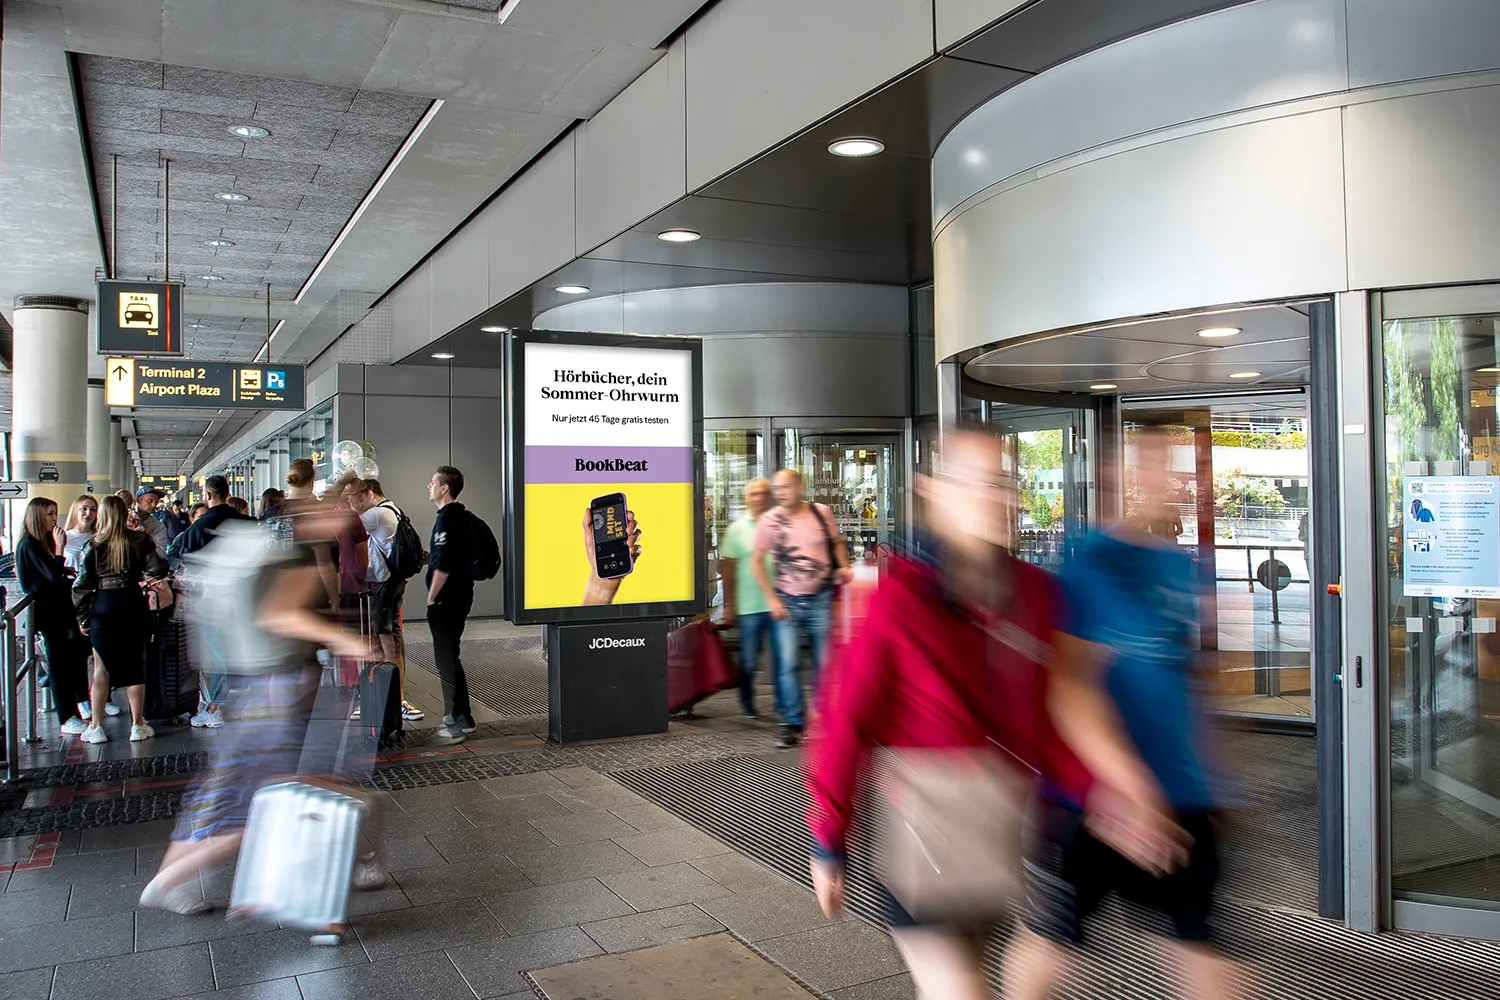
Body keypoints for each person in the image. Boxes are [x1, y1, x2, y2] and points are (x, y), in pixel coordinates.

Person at [805, 429, 1148, 1000]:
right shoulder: (890, 593)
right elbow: (843, 721)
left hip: (1003, 828)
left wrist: (1098, 792)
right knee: (960, 989)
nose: (1000, 498)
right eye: (981, 483)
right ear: (933, 490)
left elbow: (1053, 714)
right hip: (919, 827)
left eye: (1006, 483)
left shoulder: (1037, 594)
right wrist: (828, 838)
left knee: (979, 979)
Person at [1007, 426, 1234, 1000]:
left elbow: (1188, 683)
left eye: (1173, 466)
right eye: (1148, 465)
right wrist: (1129, 790)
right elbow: (1070, 689)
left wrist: (1218, 777)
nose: (1166, 478)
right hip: (1091, 801)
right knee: (1051, 942)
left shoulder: (1182, 567)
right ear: (1120, 478)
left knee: (1200, 943)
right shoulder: (1086, 564)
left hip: (1181, 794)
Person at [138, 505, 377, 915]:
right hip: (275, 694)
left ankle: (170, 879)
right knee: (256, 803)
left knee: (225, 790)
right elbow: (282, 615)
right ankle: (167, 882)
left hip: (250, 688)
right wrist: (344, 640)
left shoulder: (255, 550)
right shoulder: (294, 554)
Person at [753, 469, 851, 748]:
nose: (780, 493)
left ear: (799, 487)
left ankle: (821, 718)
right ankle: (793, 722)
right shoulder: (770, 521)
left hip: (820, 598)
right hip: (787, 601)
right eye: (777, 488)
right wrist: (771, 598)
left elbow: (836, 542)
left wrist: (843, 564)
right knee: (788, 664)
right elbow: (757, 562)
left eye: (785, 487)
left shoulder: (821, 513)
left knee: (825, 663)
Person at [74, 494, 169, 743]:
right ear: (126, 514)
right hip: (131, 603)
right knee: (135, 665)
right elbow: (158, 569)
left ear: (103, 515)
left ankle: (96, 727)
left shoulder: (94, 545)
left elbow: (82, 586)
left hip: (103, 605)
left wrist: (84, 618)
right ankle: (137, 725)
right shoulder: (139, 539)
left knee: (100, 669)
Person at [171, 475, 251, 728]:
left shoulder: (198, 527)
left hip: (212, 599)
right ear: (227, 493)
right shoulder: (246, 522)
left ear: (207, 495)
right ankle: (226, 701)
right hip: (245, 596)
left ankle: (215, 706)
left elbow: (174, 555)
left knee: (215, 654)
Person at [344, 477, 422, 721]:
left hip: (383, 585)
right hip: (392, 583)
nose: (352, 502)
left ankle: (393, 701)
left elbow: (343, 527)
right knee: (390, 640)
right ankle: (392, 698)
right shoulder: (394, 510)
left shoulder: (377, 514)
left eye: (354, 496)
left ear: (368, 493)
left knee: (386, 643)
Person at [15, 498, 92, 736]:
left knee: (72, 659)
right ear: (37, 516)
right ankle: (66, 716)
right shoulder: (29, 544)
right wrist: (60, 550)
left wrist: (63, 568)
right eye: (49, 514)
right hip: (49, 614)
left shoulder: (39, 543)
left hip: (59, 610)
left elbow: (52, 572)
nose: (54, 519)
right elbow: (47, 575)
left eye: (55, 513)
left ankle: (76, 706)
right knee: (58, 665)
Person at [427, 466, 476, 743]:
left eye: (433, 481)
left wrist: (431, 596)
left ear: (445, 488)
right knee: (450, 656)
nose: (429, 485)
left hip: (447, 599)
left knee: (445, 659)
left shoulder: (447, 518)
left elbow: (443, 566)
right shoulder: (459, 517)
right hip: (459, 595)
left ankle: (455, 719)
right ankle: (463, 715)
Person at [718, 477, 774, 719]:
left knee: (784, 660)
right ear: (747, 498)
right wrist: (730, 604)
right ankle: (746, 701)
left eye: (763, 493)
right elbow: (728, 570)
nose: (759, 498)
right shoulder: (737, 529)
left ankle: (786, 708)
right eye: (754, 494)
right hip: (750, 606)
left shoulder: (778, 524)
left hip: (777, 605)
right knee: (749, 660)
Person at [61, 494, 97, 572]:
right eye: (84, 509)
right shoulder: (64, 537)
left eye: (93, 510)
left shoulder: (98, 537)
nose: (88, 513)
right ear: (76, 511)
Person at [134, 486, 171, 556]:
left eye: (156, 502)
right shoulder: (124, 520)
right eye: (150, 501)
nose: (154, 505)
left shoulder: (158, 527)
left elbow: (160, 552)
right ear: (138, 500)